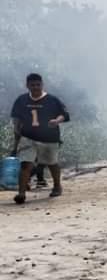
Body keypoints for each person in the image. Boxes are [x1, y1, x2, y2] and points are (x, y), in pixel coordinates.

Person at [9, 73, 70, 204]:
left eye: (38, 84)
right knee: (26, 164)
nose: (36, 87)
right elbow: (16, 120)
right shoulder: (21, 100)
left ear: (42, 84)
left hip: (49, 138)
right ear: (27, 86)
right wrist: (16, 138)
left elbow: (64, 114)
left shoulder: (52, 100)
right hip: (28, 137)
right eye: (32, 85)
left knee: (52, 163)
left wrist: (56, 121)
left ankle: (57, 186)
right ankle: (21, 193)